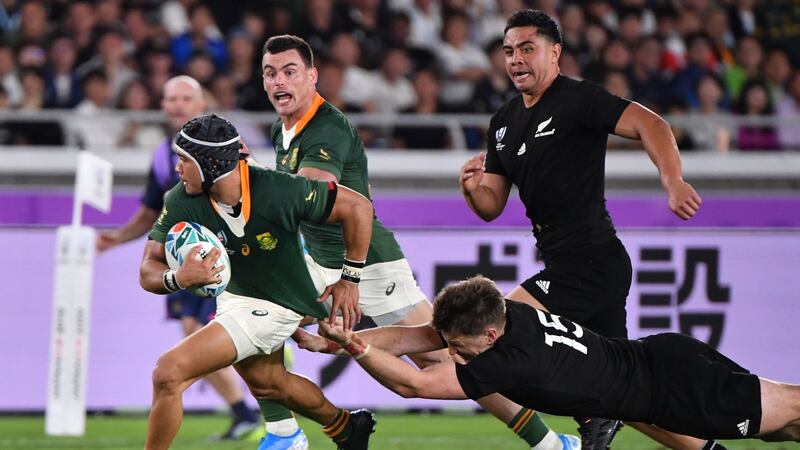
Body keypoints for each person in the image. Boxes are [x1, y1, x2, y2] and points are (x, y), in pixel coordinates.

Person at [259, 34, 578, 450]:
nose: (279, 81)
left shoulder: (327, 128)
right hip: (323, 261)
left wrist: (252, 184)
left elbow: (312, 190)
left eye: (289, 71)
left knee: (450, 360)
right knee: (255, 318)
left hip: (370, 264)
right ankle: (284, 432)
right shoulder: (281, 129)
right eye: (270, 73)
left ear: (312, 76)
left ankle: (552, 443)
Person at [458, 9, 708, 450]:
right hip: (575, 266)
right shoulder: (503, 122)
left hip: (591, 264)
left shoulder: (578, 99)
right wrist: (471, 189)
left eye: (527, 49)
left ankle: (575, 428)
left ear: (555, 53)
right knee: (628, 392)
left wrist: (673, 181)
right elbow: (491, 206)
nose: (516, 59)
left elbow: (653, 124)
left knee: (498, 328)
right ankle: (704, 447)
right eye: (508, 51)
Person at [303, 276, 800, 446]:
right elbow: (419, 336)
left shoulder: (507, 364)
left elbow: (414, 386)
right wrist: (342, 338)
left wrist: (355, 347)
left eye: (459, 347)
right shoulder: (507, 314)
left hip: (678, 387)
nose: (451, 353)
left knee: (792, 410)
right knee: (783, 429)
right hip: (665, 362)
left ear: (490, 334)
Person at [139, 113, 377, 450]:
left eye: (184, 160)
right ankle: (346, 429)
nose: (177, 168)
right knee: (269, 383)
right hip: (240, 298)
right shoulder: (181, 199)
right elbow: (147, 268)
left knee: (168, 372)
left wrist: (350, 279)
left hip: (280, 300)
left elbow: (358, 207)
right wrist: (177, 277)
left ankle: (289, 436)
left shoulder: (277, 188)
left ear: (210, 165)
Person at [95, 75, 261, 440]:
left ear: (201, 104)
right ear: (162, 106)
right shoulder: (161, 154)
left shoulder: (225, 144)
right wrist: (118, 237)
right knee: (193, 333)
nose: (178, 105)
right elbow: (149, 211)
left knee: (196, 334)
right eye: (171, 99)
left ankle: (251, 410)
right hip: (184, 258)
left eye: (186, 98)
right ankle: (246, 411)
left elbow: (257, 190)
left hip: (224, 255)